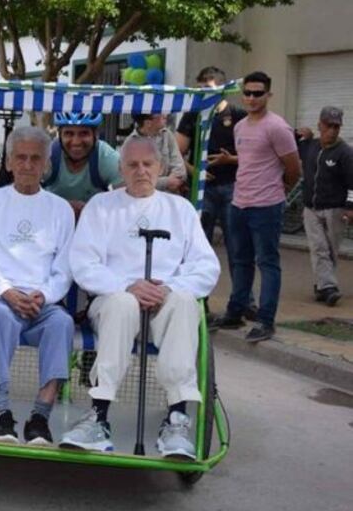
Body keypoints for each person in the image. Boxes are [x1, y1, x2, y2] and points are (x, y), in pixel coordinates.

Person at [63, 137, 220, 457]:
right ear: (121, 169)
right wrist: (127, 285)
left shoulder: (181, 209)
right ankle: (98, 416)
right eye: (132, 165)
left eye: (147, 164)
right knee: (122, 303)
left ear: (159, 168)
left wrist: (169, 288)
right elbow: (83, 263)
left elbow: (206, 266)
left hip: (165, 301)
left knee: (185, 302)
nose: (141, 171)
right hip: (113, 300)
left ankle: (177, 417)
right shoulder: (102, 206)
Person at [0, 126, 75, 444]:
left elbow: (64, 267)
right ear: (9, 162)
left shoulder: (60, 209)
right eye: (21, 157)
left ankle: (40, 416)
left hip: (43, 302)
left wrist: (45, 295)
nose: (28, 165)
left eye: (35, 158)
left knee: (63, 324)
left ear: (46, 165)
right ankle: (1, 413)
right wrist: (8, 292)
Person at [213, 71, 300, 342]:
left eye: (257, 93)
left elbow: (293, 168)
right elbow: (252, 159)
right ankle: (236, 310)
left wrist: (280, 188)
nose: (251, 98)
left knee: (268, 262)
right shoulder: (240, 126)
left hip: (266, 206)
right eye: (247, 93)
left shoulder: (277, 127)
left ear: (268, 95)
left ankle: (265, 320)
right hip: (239, 203)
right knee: (240, 260)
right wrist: (231, 162)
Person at [175, 66, 252, 319]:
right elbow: (178, 151)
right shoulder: (193, 115)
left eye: (207, 89)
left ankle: (242, 304)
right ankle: (200, 303)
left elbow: (255, 155)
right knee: (198, 247)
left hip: (233, 188)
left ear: (221, 89)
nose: (202, 94)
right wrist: (194, 171)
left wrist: (232, 160)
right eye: (199, 89)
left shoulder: (239, 116)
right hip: (203, 191)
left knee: (237, 246)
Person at [296, 107, 353, 306]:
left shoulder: (345, 153)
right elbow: (289, 143)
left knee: (330, 250)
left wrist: (350, 206)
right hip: (311, 207)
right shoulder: (310, 146)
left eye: (336, 126)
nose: (332, 130)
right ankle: (329, 288)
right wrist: (301, 133)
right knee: (319, 248)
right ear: (320, 125)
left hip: (335, 208)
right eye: (329, 126)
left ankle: (322, 286)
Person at [41, 112, 124, 218]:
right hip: (52, 222)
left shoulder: (105, 156)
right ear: (59, 135)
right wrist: (65, 207)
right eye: (69, 133)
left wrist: (91, 209)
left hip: (93, 224)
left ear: (96, 135)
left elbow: (127, 198)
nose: (76, 142)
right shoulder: (48, 155)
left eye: (84, 133)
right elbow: (28, 197)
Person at [127, 113, 186, 193]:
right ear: (148, 123)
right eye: (160, 113)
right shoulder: (130, 144)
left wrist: (173, 181)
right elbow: (137, 182)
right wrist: (167, 182)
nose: (165, 114)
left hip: (169, 197)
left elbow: (180, 170)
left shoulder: (167, 135)